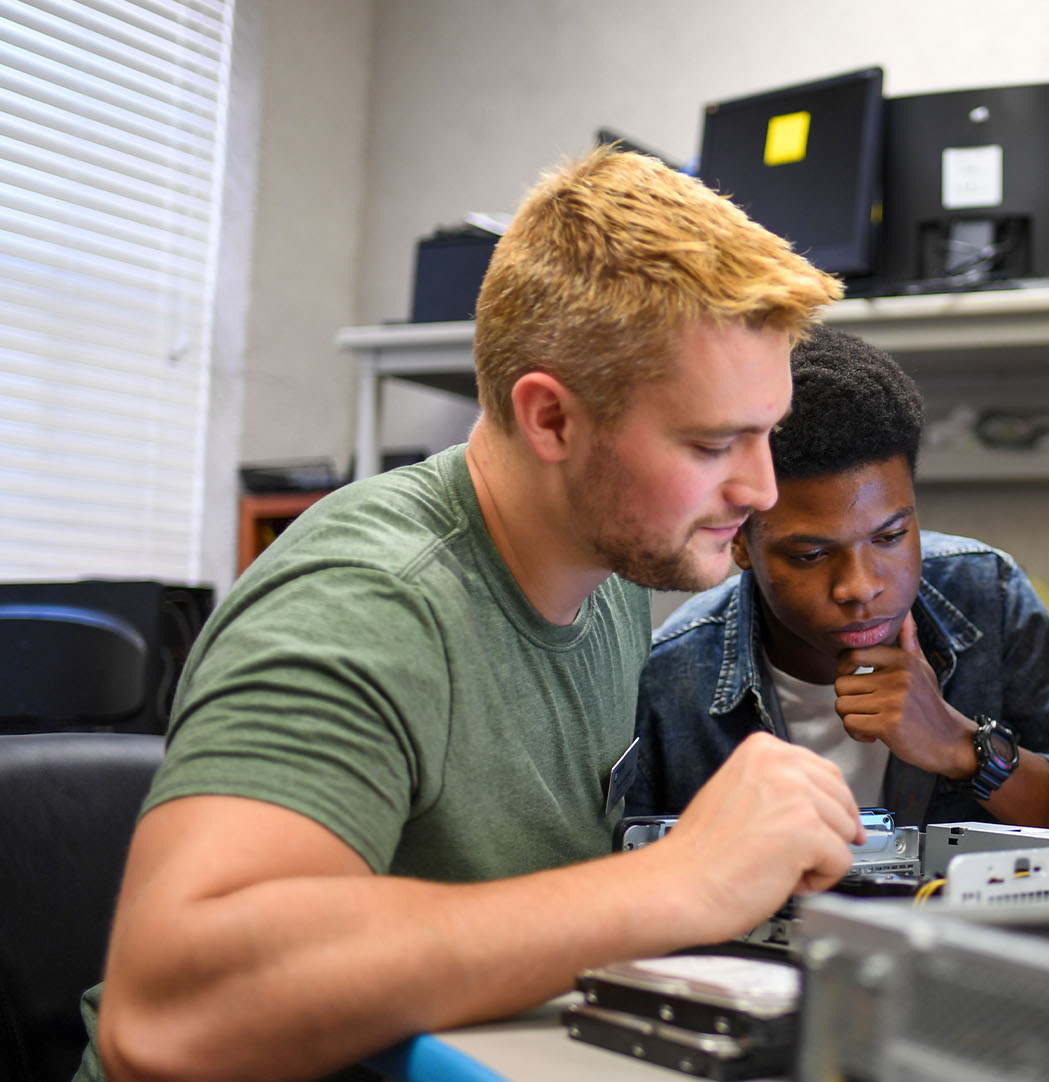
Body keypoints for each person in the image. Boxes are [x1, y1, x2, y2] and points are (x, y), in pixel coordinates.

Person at [82, 147, 863, 1082]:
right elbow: (169, 1010)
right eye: (711, 443)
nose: (761, 487)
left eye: (765, 434)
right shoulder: (368, 602)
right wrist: (677, 881)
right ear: (551, 420)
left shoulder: (607, 573)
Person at [632, 324, 1049, 829]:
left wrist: (958, 745)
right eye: (812, 554)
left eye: (889, 537)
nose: (860, 587)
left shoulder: (990, 596)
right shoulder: (670, 680)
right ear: (737, 540)